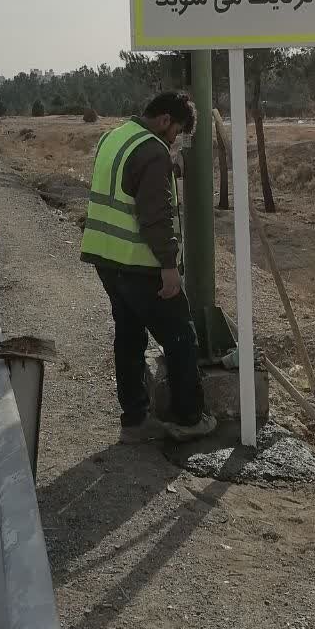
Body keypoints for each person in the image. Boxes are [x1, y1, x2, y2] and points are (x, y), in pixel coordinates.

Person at [80, 90, 217, 444]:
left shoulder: (116, 136)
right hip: (140, 264)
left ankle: (135, 421)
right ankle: (189, 419)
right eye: (178, 132)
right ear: (165, 120)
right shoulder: (153, 151)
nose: (176, 141)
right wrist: (169, 266)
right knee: (180, 337)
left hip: (105, 258)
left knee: (129, 337)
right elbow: (155, 217)